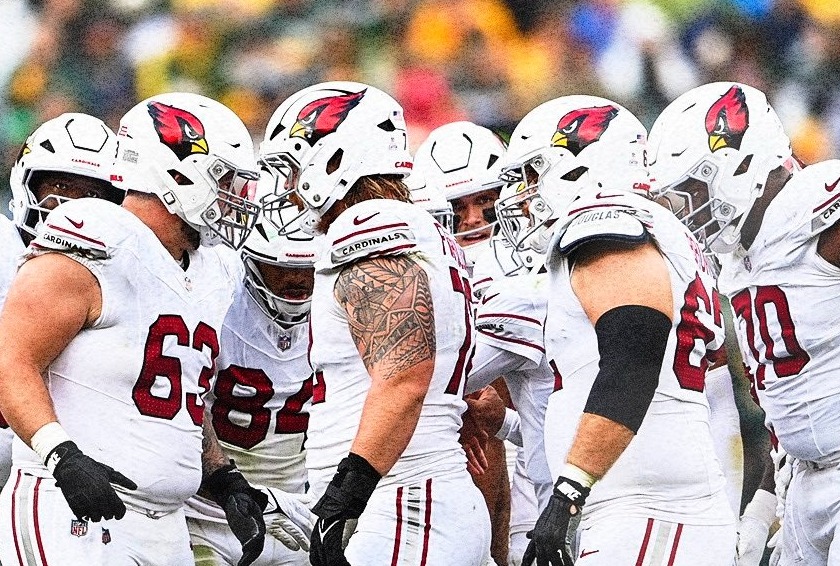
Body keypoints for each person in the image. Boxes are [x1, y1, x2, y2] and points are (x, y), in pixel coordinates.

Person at [0, 93, 267, 565]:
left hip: (162, 524)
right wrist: (62, 456)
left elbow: (177, 393)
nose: (234, 197)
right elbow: (10, 359)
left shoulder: (211, 268)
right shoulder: (97, 234)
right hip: (71, 512)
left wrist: (222, 475)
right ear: (177, 175)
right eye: (224, 179)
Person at [259, 80, 491, 566]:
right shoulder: (411, 225)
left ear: (336, 159)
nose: (289, 186)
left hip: (403, 502)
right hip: (412, 496)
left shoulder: (369, 224)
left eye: (295, 167)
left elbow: (404, 378)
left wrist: (346, 496)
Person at [504, 95, 735, 565]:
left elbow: (634, 356)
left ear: (577, 167)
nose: (523, 194)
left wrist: (569, 490)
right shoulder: (657, 230)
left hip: (645, 507)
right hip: (654, 499)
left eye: (532, 174)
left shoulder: (605, 225)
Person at [649, 82, 839, 566]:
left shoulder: (816, 213)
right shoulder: (738, 259)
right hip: (802, 478)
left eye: (690, 189)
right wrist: (762, 507)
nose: (685, 211)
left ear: (739, 166)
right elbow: (785, 403)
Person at [186, 194, 320, 566]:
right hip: (209, 510)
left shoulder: (338, 311)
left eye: (307, 267)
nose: (295, 278)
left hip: (296, 508)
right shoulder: (216, 304)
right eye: (280, 267)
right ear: (252, 263)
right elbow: (186, 404)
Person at [0, 113, 125, 491]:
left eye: (91, 194)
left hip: (72, 461)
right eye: (58, 185)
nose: (71, 206)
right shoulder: (4, 244)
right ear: (27, 184)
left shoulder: (121, 267)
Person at [413, 119, 512, 564]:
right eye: (458, 207)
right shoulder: (424, 266)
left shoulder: (536, 259)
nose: (472, 220)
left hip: (543, 455)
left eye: (485, 202)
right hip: (472, 457)